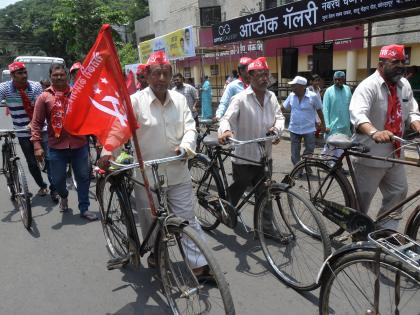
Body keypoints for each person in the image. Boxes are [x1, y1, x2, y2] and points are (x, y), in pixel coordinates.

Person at [101, 51, 213, 278]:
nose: (162, 78)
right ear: (147, 76)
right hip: (146, 175)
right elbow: (119, 129)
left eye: (166, 73)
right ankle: (155, 253)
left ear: (171, 76)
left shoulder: (180, 100)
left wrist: (186, 147)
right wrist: (107, 151)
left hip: (177, 170)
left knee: (187, 219)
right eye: (156, 73)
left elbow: (190, 127)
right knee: (151, 221)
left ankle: (198, 265)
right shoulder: (134, 101)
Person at [349, 44, 420, 221]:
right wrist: (374, 132)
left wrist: (416, 124)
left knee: (399, 192)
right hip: (370, 155)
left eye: (403, 62)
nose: (401, 66)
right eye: (395, 62)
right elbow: (358, 114)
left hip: (395, 153)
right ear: (381, 64)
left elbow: (412, 111)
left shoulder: (404, 85)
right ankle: (356, 233)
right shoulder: (368, 86)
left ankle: (384, 232)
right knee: (361, 202)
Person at [218, 57, 285, 236]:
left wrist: (277, 130)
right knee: (240, 186)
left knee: (265, 194)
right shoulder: (240, 98)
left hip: (265, 155)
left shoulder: (271, 97)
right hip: (244, 155)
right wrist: (226, 132)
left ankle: (266, 230)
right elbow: (226, 119)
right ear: (250, 77)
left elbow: (279, 117)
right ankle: (224, 208)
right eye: (260, 75)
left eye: (266, 74)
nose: (264, 78)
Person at [31, 63, 97, 221]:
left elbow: (89, 117)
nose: (59, 77)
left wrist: (97, 138)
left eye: (62, 74)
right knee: (58, 180)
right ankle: (64, 196)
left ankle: (84, 208)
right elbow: (36, 122)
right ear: (50, 76)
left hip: (79, 144)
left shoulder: (78, 93)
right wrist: (37, 145)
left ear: (67, 76)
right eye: (55, 75)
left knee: (83, 177)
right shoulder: (44, 97)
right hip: (56, 147)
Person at [0, 61, 54, 198]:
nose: (24, 75)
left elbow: (38, 108)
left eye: (25, 72)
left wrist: (33, 124)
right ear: (12, 75)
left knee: (50, 159)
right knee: (31, 162)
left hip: (41, 127)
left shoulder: (35, 86)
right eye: (20, 73)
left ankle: (55, 189)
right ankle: (42, 186)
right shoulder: (4, 88)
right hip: (21, 131)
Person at [283, 75, 325, 167]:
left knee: (310, 149)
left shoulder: (313, 96)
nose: (292, 87)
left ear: (302, 86)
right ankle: (298, 169)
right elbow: (283, 108)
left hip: (309, 129)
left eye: (294, 85)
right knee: (295, 151)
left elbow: (319, 110)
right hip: (294, 128)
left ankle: (305, 165)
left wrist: (323, 124)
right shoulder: (291, 96)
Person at [322, 71, 352, 158]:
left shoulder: (348, 89)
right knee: (331, 147)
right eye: (336, 80)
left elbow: (351, 106)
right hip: (333, 125)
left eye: (340, 79)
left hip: (345, 125)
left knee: (341, 150)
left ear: (344, 79)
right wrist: (326, 125)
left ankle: (335, 166)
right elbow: (325, 109)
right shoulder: (329, 91)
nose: (338, 81)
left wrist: (352, 123)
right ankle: (327, 164)